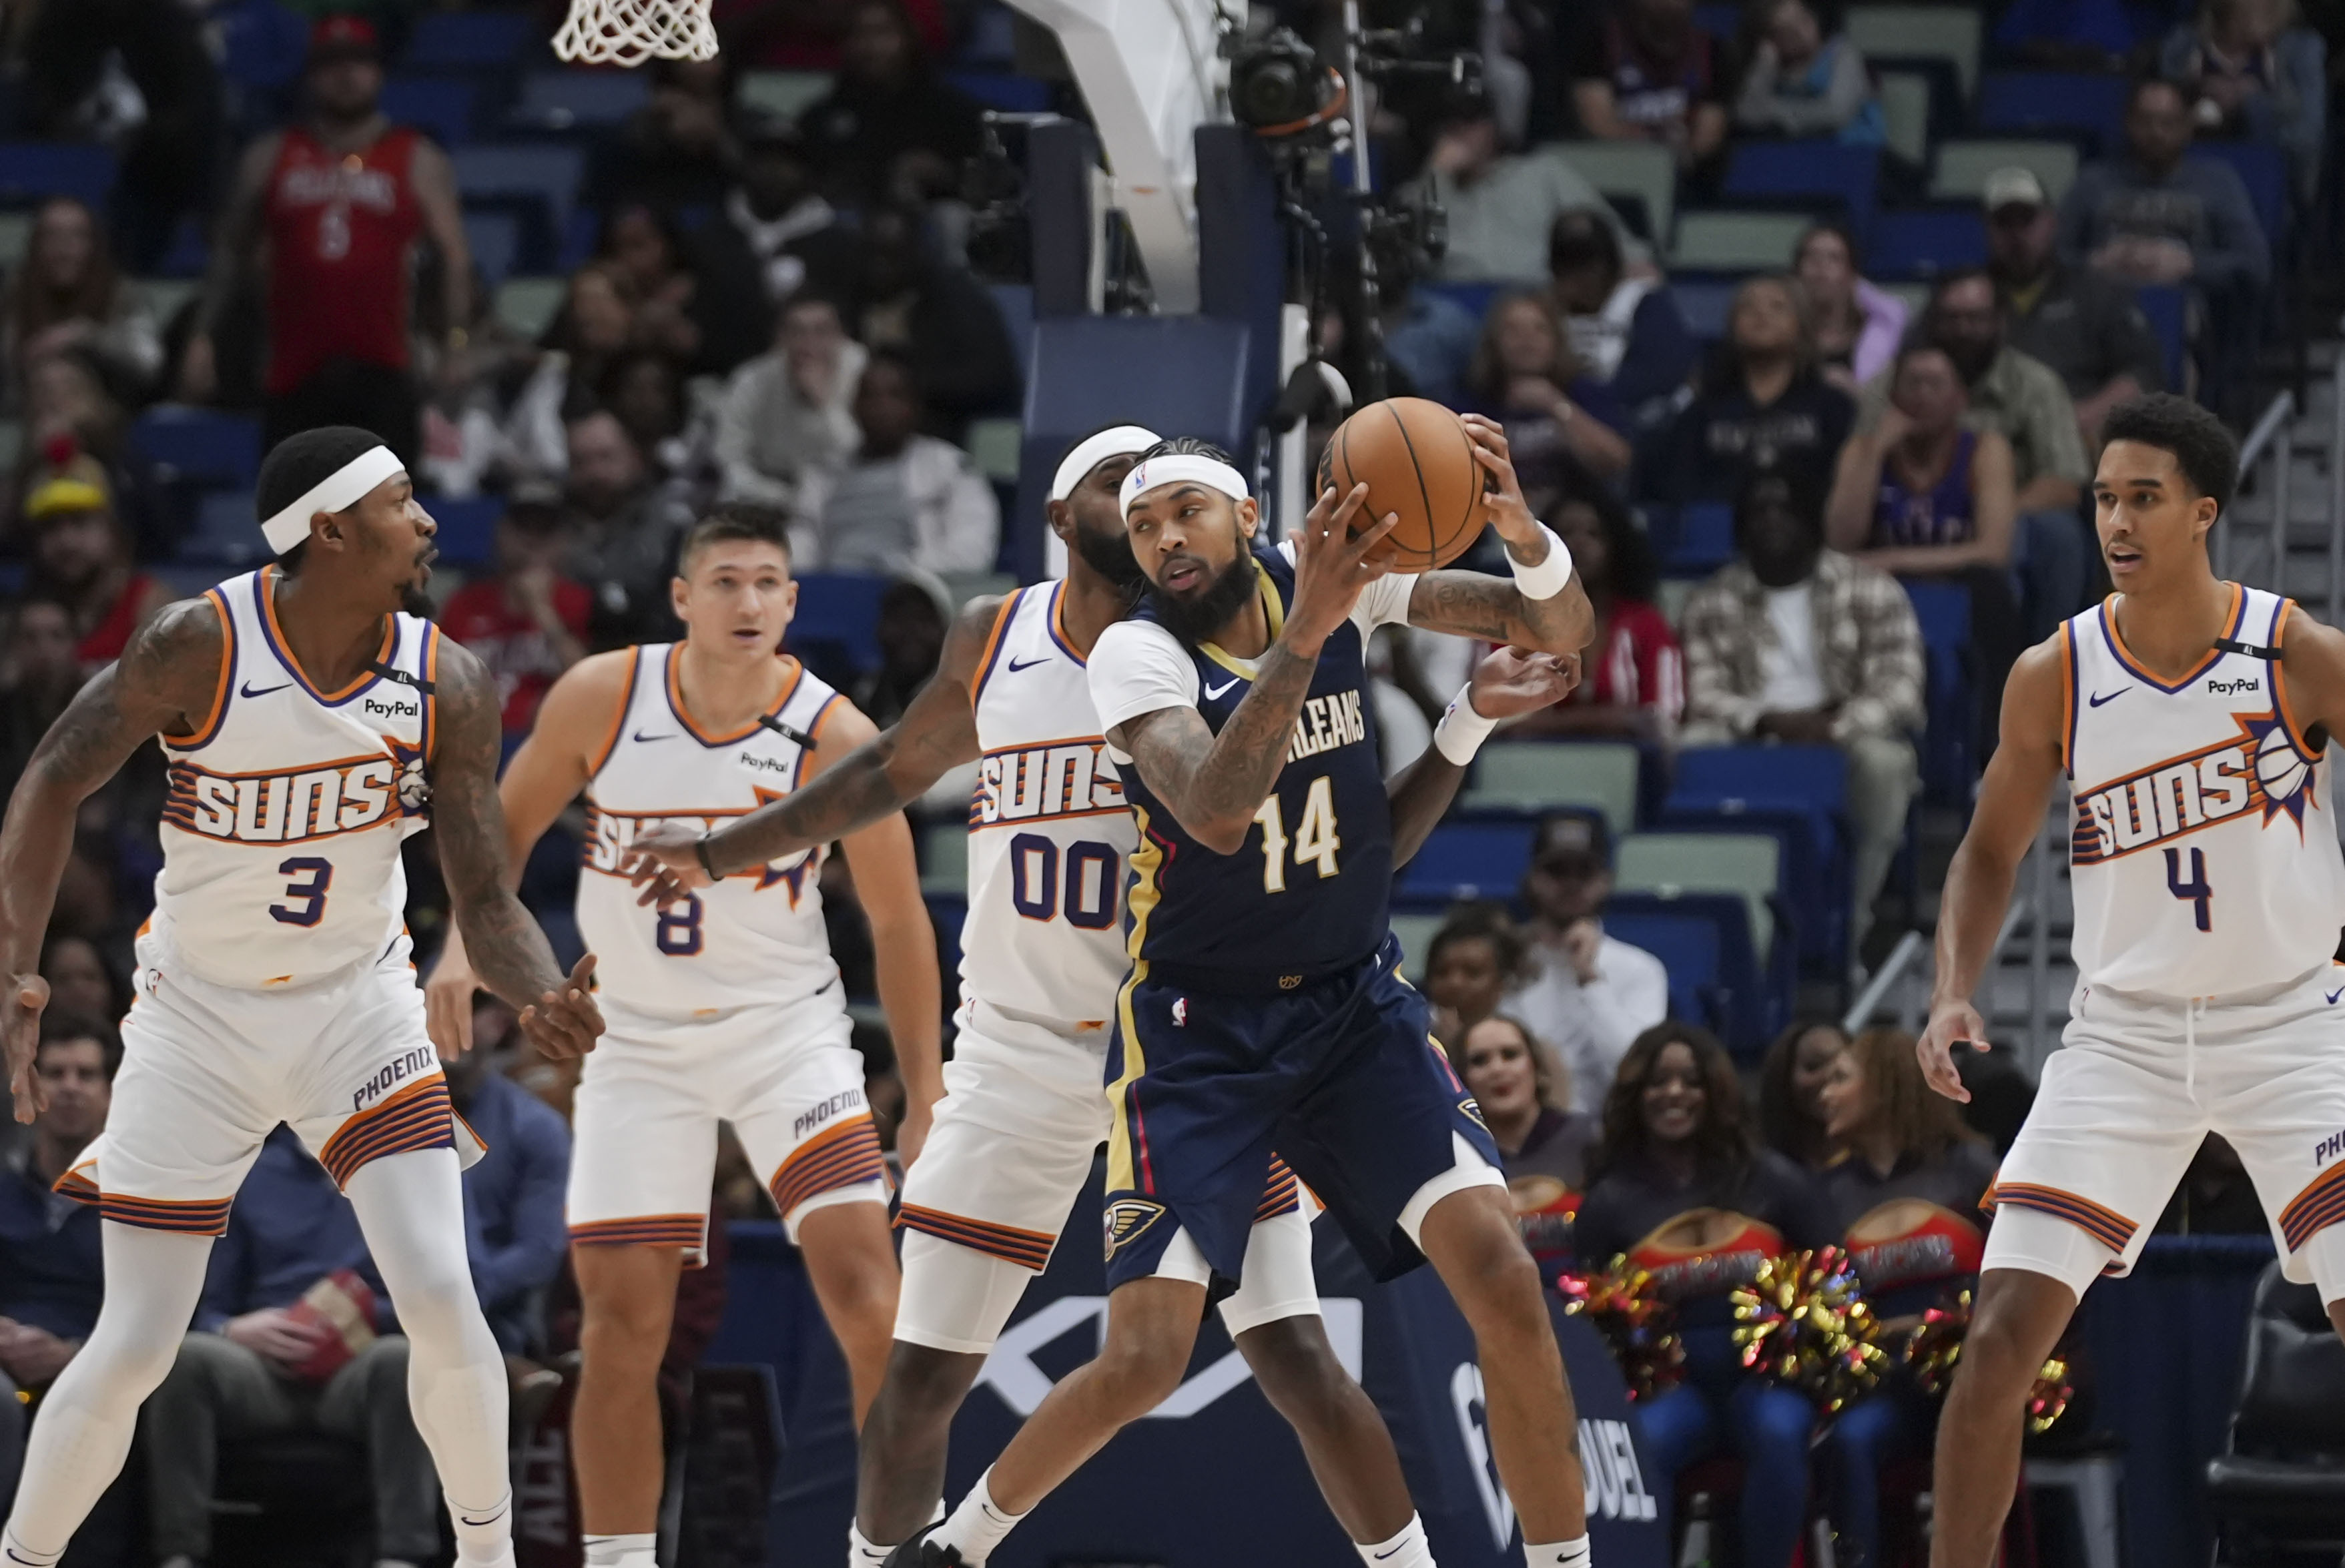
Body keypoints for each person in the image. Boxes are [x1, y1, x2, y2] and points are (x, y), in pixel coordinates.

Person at [616, 423, 1583, 1568]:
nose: (1152, 515)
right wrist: (721, 852)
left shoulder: (1235, 621)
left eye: (1173, 497)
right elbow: (885, 771)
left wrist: (1495, 567)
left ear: (1232, 515)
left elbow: (1349, 839)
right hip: (1032, 1050)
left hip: (1206, 1035)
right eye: (1127, 496)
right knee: (925, 1373)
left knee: (1295, 1358)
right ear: (1064, 514)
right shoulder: (1022, 640)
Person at [0, 425, 603, 1568]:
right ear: (330, 531)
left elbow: (484, 898)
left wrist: (536, 993)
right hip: (197, 1019)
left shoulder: (449, 680)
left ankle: (486, 1560)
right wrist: (16, 966)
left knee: (440, 1291)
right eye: (402, 501)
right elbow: (52, 778)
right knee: (135, 1343)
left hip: (354, 1012)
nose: (428, 520)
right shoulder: (199, 644)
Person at [424, 504, 940, 1568]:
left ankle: (890, 1551)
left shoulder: (833, 734)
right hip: (639, 1043)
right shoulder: (603, 694)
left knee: (870, 1299)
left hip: (784, 1034)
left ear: (792, 602)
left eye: (767, 583)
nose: (747, 602)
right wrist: (455, 952)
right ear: (681, 597)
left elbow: (899, 921)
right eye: (725, 581)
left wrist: (925, 1093)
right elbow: (500, 838)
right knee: (618, 1330)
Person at [1915, 394, 2345, 1565]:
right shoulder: (2053, 672)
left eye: (2142, 499)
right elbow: (1985, 852)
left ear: (2201, 512)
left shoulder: (2291, 653)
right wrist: (1951, 985)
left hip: (2290, 1029)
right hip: (2123, 1040)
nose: (2114, 520)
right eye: (2104, 497)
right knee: (1996, 1343)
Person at [1575, 1022, 1835, 1568]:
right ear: (1636, 1094)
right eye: (1658, 1081)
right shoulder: (1610, 1201)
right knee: (1642, 1445)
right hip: (1674, 1391)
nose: (1674, 1093)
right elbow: (1587, 1310)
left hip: (1763, 1384)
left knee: (1780, 1431)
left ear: (1715, 1091)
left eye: (1691, 1081)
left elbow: (1836, 1277)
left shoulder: (1773, 1180)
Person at [144, 1126, 445, 1568]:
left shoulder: (401, 1171)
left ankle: (402, 1555)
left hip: (358, 1365)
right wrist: (231, 1329)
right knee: (187, 1357)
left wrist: (358, 1313)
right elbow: (207, 1304)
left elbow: (442, 1290)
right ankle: (179, 1552)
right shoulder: (249, 1174)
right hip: (261, 1367)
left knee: (401, 1359)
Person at [180, 17, 472, 469]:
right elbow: (230, 254)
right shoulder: (271, 155)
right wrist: (203, 336)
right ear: (311, 76)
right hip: (293, 372)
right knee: (295, 506)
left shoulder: (415, 157)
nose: (346, 74)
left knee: (384, 506)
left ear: (378, 73)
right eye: (331, 63)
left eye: (359, 61)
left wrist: (456, 343)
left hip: (385, 366)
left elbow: (454, 257)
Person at [1681, 470, 1925, 948]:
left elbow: (1900, 688)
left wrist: (1837, 725)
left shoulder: (1873, 589)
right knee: (1693, 747)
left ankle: (1850, 926)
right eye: (1759, 511)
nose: (1772, 521)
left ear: (1813, 520)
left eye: (1786, 509)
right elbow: (1703, 692)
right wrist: (1764, 720)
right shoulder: (1710, 600)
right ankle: (1724, 916)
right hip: (1752, 735)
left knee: (1886, 764)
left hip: (1844, 735)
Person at [1813, 1026, 1995, 1568]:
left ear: (1884, 1084)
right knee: (1850, 1440)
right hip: (1885, 1388)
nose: (1825, 1093)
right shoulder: (1828, 1192)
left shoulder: (1970, 1168)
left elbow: (2016, 1275)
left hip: (1971, 1380)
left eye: (1840, 1078)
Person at [1861, 270, 2092, 645]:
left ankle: (2043, 662)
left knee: (2057, 533)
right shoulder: (1890, 382)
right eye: (1952, 318)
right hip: (1902, 513)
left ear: (1999, 322)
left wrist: (1991, 513)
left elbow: (2064, 483)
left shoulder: (2035, 383)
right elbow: (1858, 457)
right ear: (1932, 321)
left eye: (1976, 318)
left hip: (2009, 517)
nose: (1963, 330)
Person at [1826, 344, 2024, 733]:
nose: (1922, 395)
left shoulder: (1985, 449)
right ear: (1893, 397)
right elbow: (1841, 540)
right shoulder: (1862, 450)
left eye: (1935, 384)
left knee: (1992, 589)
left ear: (1960, 399)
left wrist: (1893, 559)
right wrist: (1875, 452)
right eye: (1912, 384)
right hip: (1881, 587)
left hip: (1960, 581)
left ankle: (1997, 738)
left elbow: (1993, 551)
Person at [0, 1014, 113, 1514]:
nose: (69, 1087)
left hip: (98, 1369)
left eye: (86, 1075)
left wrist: (75, 1354)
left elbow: (164, 1320)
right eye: (55, 1073)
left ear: (110, 1094)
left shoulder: (142, 1210)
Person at [1984, 168, 2168, 450]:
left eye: (2027, 220)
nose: (2017, 234)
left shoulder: (2096, 292)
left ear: (2050, 223)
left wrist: (2081, 416)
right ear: (1988, 230)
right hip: (1990, 436)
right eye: (2004, 223)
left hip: (2081, 434)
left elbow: (2143, 373)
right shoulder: (1966, 299)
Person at [1504, 814, 1674, 1114]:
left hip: (1607, 1131)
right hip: (1510, 1130)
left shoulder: (1640, 969)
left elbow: (1635, 1068)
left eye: (1584, 872)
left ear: (1605, 882)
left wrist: (1589, 978)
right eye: (1557, 871)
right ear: (1533, 880)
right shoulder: (1504, 960)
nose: (1571, 884)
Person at [1638, 274, 1857, 506]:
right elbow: (1680, 490)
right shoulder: (1703, 413)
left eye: (1777, 306)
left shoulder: (1833, 409)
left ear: (1802, 327)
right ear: (1732, 327)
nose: (1761, 314)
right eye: (1748, 307)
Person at [2056, 76, 2270, 302]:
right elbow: (2053, 256)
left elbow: (2255, 266)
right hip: (2102, 305)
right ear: (2128, 124)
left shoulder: (2218, 182)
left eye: (2168, 122)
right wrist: (2094, 263)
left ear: (2187, 127)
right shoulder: (2092, 182)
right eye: (2145, 121)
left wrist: (2191, 266)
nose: (2156, 132)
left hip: (2188, 307)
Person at [1507, 474, 1683, 739]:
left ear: (1616, 547)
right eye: (1566, 533)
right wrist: (1611, 719)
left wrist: (1549, 723)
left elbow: (1664, 718)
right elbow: (1500, 721)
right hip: (1532, 761)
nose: (1579, 544)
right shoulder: (1513, 623)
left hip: (1630, 761)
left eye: (1594, 534)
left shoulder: (1647, 624)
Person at [1403, 96, 1641, 286]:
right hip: (1453, 299)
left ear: (1491, 128)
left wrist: (1635, 260)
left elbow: (1599, 224)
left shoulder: (1541, 173)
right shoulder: (1420, 191)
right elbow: (1416, 256)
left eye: (1471, 122)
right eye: (1451, 127)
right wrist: (1437, 174)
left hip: (1534, 297)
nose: (1462, 134)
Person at [799, 354, 1001, 576]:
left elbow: (972, 554)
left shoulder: (952, 469)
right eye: (870, 395)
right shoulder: (823, 473)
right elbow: (798, 549)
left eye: (895, 395)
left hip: (915, 589)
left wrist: (898, 569)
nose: (881, 407)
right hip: (831, 587)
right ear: (854, 406)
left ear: (915, 407)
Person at [689, 117, 863, 366]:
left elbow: (848, 321)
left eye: (786, 162)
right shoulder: (714, 236)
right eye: (763, 161)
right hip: (724, 372)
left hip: (817, 373)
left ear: (806, 171)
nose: (773, 171)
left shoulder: (836, 243)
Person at [440, 1038, 571, 1357]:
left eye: (474, 1013)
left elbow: (539, 1251)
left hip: (490, 1323)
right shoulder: (371, 1119)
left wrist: (463, 1293)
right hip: (375, 1306)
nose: (449, 1025)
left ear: (498, 1024)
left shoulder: (534, 1126)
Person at [849, 205, 1020, 440]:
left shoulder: (955, 299)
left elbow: (994, 376)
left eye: (892, 256)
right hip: (850, 427)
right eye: (873, 255)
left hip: (939, 427)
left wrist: (914, 383)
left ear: (915, 252)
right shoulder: (849, 298)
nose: (880, 268)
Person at [435, 486, 593, 742]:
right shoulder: (464, 603)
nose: (532, 541)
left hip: (547, 740)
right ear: (501, 533)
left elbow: (590, 682)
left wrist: (544, 611)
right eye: (523, 528)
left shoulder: (579, 601)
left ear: (562, 541)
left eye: (544, 531)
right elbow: (437, 685)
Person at [797, 0, 985, 206]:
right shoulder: (820, 118)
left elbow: (982, 183)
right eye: (859, 34)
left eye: (882, 32)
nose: (871, 46)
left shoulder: (951, 111)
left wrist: (941, 173)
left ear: (908, 37)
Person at [2159, 0, 2328, 205]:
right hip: (2190, 174)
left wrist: (2251, 102)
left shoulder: (2299, 50)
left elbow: (2307, 137)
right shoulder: (2185, 47)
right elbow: (2156, 115)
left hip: (2266, 178)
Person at [1464, 291, 1633, 492]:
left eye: (1540, 329)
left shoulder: (1585, 391)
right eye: (1512, 330)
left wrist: (1555, 404)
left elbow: (1617, 461)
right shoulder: (1475, 399)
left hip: (1576, 502)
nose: (1527, 340)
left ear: (1556, 339)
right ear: (1494, 342)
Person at [713, 292, 867, 513]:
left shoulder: (863, 371)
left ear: (840, 336)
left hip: (847, 497)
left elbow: (862, 459)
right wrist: (783, 498)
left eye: (821, 331)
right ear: (780, 338)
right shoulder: (752, 380)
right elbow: (728, 460)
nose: (809, 345)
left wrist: (824, 406)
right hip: (771, 497)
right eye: (797, 332)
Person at [1, 198, 162, 406]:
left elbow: (150, 364)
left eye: (77, 237)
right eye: (52, 236)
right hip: (23, 414)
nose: (64, 250)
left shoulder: (122, 296)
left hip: (105, 414)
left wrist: (87, 337)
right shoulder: (14, 296)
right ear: (35, 245)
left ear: (94, 244)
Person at [1546, 208, 1698, 430]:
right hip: (1562, 426)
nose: (1582, 277)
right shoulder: (1543, 310)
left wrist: (1586, 392)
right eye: (1569, 267)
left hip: (1634, 423)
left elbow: (1661, 375)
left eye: (1590, 266)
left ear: (1611, 266)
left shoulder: (1643, 301)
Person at [19, 463, 173, 675]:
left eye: (80, 522)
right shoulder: (24, 618)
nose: (66, 541)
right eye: (51, 527)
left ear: (113, 531)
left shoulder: (149, 606)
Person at [1564, 0, 1734, 172]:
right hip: (1612, 168)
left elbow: (1707, 137)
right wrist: (1654, 142)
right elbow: (1599, 126)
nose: (1669, 4)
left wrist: (1682, 151)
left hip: (1686, 174)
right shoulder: (1602, 43)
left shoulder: (1712, 51)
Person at [1734, 0, 1887, 145]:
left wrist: (1774, 112)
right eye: (1788, 31)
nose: (1802, 32)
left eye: (1803, 19)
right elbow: (1747, 113)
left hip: (1851, 151)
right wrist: (1765, 64)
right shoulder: (1774, 66)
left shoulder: (1842, 55)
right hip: (1791, 153)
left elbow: (1836, 113)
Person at [1796, 222, 1907, 392]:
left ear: (1852, 275)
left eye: (1834, 258)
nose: (1821, 265)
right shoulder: (1782, 333)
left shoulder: (1880, 335)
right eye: (1812, 256)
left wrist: (1857, 393)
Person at [1425, 899, 1536, 1046]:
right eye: (1442, 972)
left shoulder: (1527, 1041)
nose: (1455, 983)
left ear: (1501, 982)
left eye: (1472, 972)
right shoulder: (1409, 1034)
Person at [1757, 1018, 1850, 1171]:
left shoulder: (1879, 1167)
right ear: (1784, 1077)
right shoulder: (1762, 1170)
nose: (1830, 1075)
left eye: (1843, 1065)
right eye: (1814, 1066)